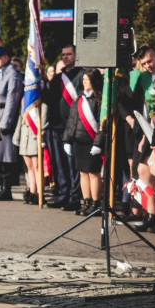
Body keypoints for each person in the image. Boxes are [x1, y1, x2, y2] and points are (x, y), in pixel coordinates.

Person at [43, 45, 84, 211]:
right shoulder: (58, 78)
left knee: (72, 164)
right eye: (63, 55)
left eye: (69, 54)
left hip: (73, 127)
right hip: (56, 126)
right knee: (59, 164)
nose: (66, 57)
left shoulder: (82, 75)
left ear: (76, 55)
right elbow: (47, 98)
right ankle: (62, 194)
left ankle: (74, 197)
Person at [64, 69, 104, 216]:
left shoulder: (99, 100)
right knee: (82, 173)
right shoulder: (78, 99)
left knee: (94, 173)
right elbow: (71, 121)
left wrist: (98, 143)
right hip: (78, 142)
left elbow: (102, 124)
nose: (84, 82)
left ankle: (95, 203)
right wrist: (67, 140)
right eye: (84, 80)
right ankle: (86, 202)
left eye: (87, 80)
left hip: (92, 142)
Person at [0, 45, 23, 201]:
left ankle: (5, 188)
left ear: (6, 58)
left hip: (4, 116)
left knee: (5, 156)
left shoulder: (12, 74)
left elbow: (12, 100)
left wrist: (6, 123)